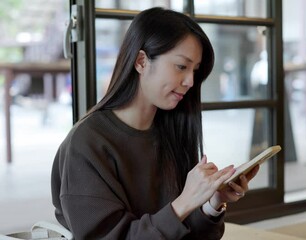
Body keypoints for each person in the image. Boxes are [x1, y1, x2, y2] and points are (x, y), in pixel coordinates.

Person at [51, 7, 259, 239]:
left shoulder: (171, 131)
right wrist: (184, 203)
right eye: (181, 66)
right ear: (141, 61)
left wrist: (212, 202)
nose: (190, 81)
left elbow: (187, 234)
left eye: (195, 70)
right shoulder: (87, 143)